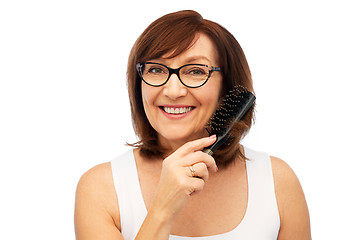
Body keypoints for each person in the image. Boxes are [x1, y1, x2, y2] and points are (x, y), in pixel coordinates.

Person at [74, 10, 311, 240]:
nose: (173, 91)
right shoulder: (101, 189)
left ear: (227, 88)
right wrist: (162, 210)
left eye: (196, 71)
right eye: (156, 69)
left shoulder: (277, 182)